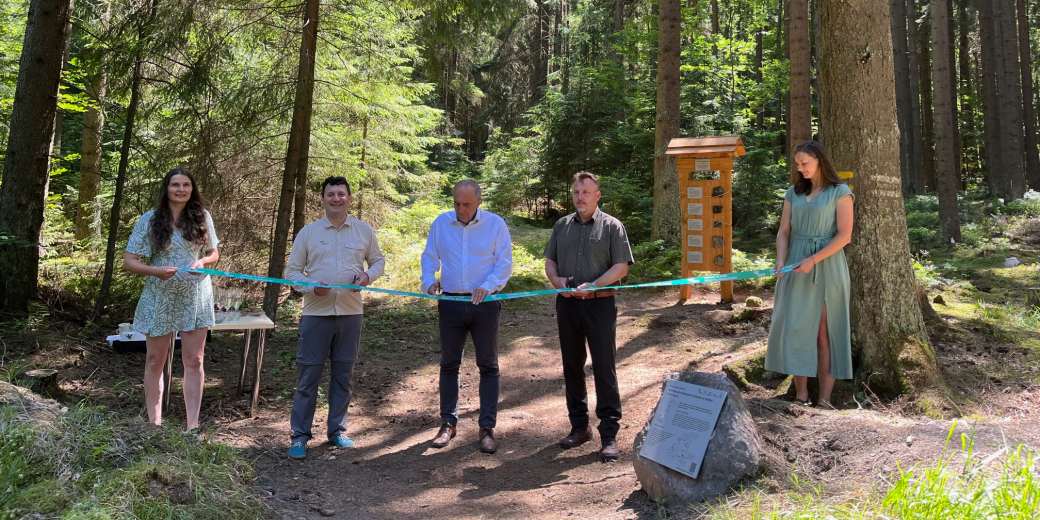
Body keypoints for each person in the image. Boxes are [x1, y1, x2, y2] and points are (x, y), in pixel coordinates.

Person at [284, 176, 385, 460]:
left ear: (349, 198)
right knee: (308, 377)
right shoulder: (309, 233)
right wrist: (310, 287)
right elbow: (292, 272)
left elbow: (378, 261)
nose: (336, 199)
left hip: (351, 314)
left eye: (341, 194)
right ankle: (299, 437)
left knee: (343, 375)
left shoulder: (363, 230)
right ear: (323, 198)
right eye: (331, 194)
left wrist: (367, 276)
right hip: (315, 314)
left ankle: (337, 431)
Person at [544, 171, 633, 462]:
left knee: (604, 367)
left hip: (599, 305)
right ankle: (579, 427)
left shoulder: (612, 226)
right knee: (572, 366)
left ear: (597, 196)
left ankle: (608, 434)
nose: (580, 197)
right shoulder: (562, 226)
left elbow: (621, 266)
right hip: (568, 305)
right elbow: (550, 261)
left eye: (586, 192)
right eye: (576, 192)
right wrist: (558, 282)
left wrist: (594, 285)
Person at [124, 167, 220, 432]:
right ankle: (154, 425)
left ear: (192, 189)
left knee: (194, 360)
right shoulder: (150, 219)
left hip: (195, 295)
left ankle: (192, 426)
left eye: (186, 185)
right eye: (175, 185)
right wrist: (155, 271)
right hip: (160, 294)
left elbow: (214, 253)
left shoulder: (202, 216)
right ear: (166, 188)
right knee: (155, 360)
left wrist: (203, 262)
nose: (181, 189)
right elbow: (129, 261)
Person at [421, 179, 512, 454]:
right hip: (450, 302)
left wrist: (489, 285)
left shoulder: (495, 224)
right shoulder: (441, 223)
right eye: (457, 204)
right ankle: (448, 424)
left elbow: (504, 263)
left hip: (485, 304)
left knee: (488, 365)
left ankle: (487, 428)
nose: (461, 209)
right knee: (449, 364)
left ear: (479, 201)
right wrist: (429, 281)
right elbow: (429, 257)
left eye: (467, 204)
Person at [766, 140, 854, 408]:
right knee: (797, 329)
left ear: (819, 161)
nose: (800, 168)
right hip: (796, 264)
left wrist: (813, 259)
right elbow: (783, 232)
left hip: (827, 266)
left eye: (805, 163)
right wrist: (781, 261)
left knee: (824, 333)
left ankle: (824, 399)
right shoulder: (793, 193)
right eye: (797, 164)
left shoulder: (840, 192)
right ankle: (801, 395)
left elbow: (845, 236)